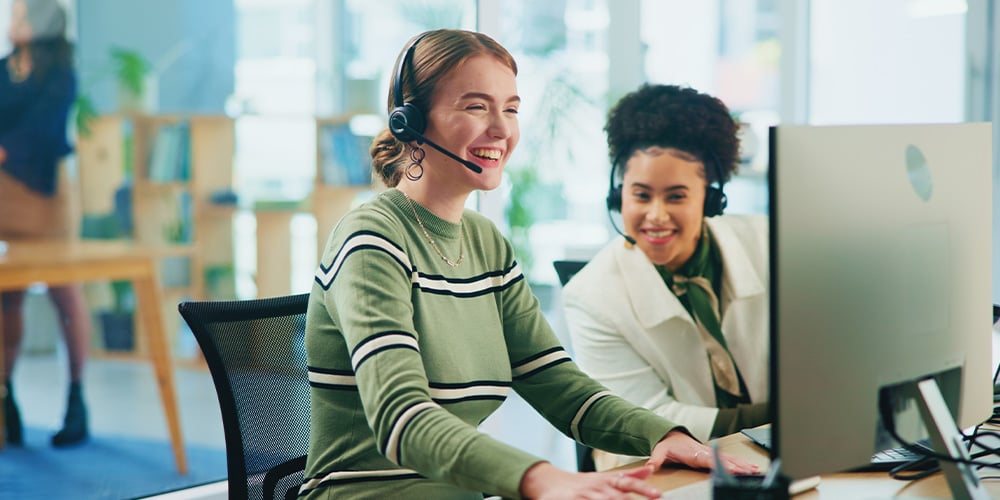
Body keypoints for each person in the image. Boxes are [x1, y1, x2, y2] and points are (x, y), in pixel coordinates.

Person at [303, 30, 759, 499]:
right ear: (411, 122)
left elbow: (556, 382)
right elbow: (402, 419)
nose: (502, 129)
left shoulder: (485, 243)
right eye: (476, 107)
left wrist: (664, 436)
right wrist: (541, 478)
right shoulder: (371, 239)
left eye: (512, 108)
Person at [562, 83, 770, 471]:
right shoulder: (590, 296)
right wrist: (786, 415)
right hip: (655, 461)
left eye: (676, 196)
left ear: (710, 198)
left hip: (768, 456)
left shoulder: (770, 245)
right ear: (618, 195)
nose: (656, 215)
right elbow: (647, 415)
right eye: (641, 196)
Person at [1, 0, 90, 447]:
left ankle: (76, 399)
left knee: (64, 291)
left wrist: (4, 151)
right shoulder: (3, 69)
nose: (11, 22)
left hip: (47, 193)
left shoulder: (60, 71)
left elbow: (46, 129)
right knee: (6, 297)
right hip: (4, 198)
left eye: (18, 14)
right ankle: (5, 398)